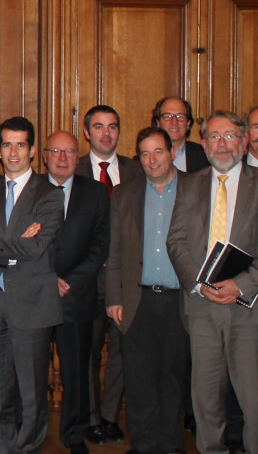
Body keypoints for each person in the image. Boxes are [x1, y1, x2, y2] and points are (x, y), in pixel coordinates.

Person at [166, 110, 258, 454]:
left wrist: (242, 284)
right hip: (202, 308)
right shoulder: (188, 184)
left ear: (244, 141)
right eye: (215, 137)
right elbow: (175, 241)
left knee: (255, 403)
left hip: (252, 308)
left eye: (230, 136)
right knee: (205, 399)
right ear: (203, 144)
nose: (223, 144)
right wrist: (199, 283)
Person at [0, 116, 64, 454]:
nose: (14, 151)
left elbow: (37, 248)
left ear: (33, 150)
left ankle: (28, 448)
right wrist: (9, 245)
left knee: (33, 389)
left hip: (31, 302)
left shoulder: (49, 194)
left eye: (21, 144)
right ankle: (5, 446)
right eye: (7, 144)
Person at [106, 127, 189, 454]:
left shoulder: (194, 189)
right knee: (138, 381)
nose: (152, 159)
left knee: (173, 377)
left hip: (179, 301)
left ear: (171, 152)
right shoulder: (125, 194)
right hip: (136, 301)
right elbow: (114, 252)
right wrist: (113, 297)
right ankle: (142, 445)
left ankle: (170, 444)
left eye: (158, 151)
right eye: (144, 153)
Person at [41, 131, 110, 454]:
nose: (63, 158)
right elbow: (19, 240)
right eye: (56, 151)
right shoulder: (30, 188)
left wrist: (70, 281)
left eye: (70, 152)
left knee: (76, 372)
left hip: (76, 296)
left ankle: (73, 434)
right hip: (36, 293)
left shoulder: (95, 193)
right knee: (31, 372)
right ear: (44, 156)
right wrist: (47, 277)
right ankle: (32, 435)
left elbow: (100, 245)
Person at [75, 105, 139, 446]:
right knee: (88, 351)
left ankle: (112, 416)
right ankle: (92, 418)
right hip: (88, 279)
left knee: (123, 350)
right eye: (98, 127)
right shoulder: (75, 168)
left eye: (112, 127)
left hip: (127, 278)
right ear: (87, 132)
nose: (106, 134)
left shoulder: (137, 169)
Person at [152, 97, 209, 173]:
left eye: (180, 116)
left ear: (188, 123)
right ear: (158, 123)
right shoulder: (143, 160)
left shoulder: (205, 156)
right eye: (168, 116)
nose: (174, 122)